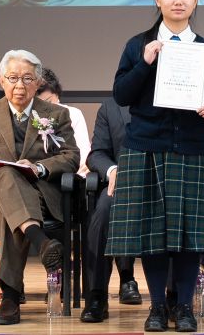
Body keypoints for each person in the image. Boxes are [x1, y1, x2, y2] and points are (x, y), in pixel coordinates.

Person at [106, 0, 204, 333]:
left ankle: (185, 307)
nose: (178, 1)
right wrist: (144, 63)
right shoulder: (137, 45)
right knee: (152, 233)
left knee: (190, 235)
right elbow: (121, 95)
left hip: (192, 149)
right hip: (146, 148)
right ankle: (157, 306)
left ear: (196, 1)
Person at [0, 49, 79, 325]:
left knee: (9, 208)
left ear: (38, 82)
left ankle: (9, 297)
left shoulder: (56, 114)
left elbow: (71, 156)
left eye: (27, 78)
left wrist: (39, 167)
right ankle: (40, 241)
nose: (20, 85)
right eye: (13, 78)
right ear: (1, 80)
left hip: (38, 193)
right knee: (7, 173)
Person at [80, 97, 141, 322]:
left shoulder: (167, 100)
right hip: (122, 182)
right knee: (103, 210)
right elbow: (97, 153)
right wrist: (112, 170)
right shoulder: (111, 107)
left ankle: (173, 299)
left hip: (161, 183)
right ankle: (96, 296)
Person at [36, 67, 91, 175]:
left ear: (57, 94)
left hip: (70, 173)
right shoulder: (30, 117)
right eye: (39, 104)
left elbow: (83, 150)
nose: (46, 108)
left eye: (49, 101)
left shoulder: (73, 113)